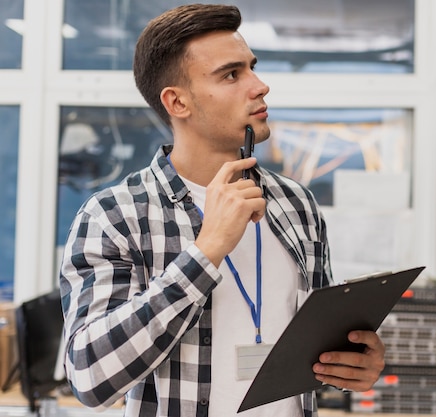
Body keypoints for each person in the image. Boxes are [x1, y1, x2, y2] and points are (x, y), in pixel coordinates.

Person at [59, 4, 385, 417]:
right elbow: (89, 378)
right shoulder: (114, 216)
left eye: (252, 67)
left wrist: (354, 361)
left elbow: (315, 349)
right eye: (232, 75)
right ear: (177, 102)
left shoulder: (296, 204)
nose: (260, 85)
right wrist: (206, 251)